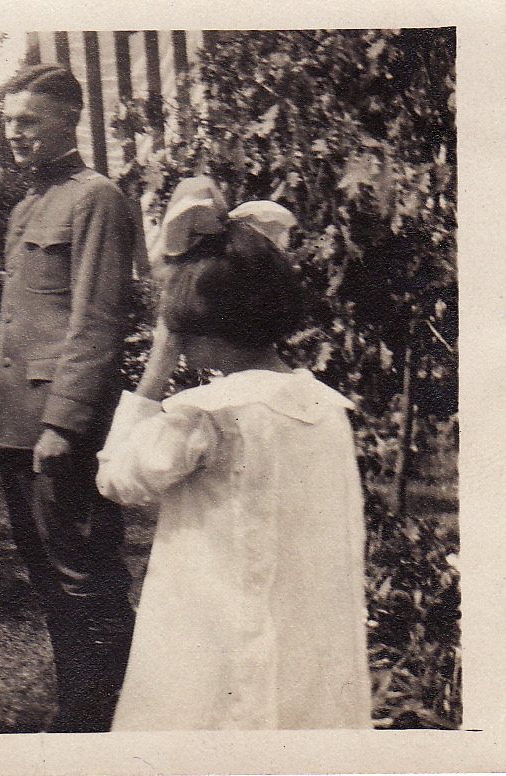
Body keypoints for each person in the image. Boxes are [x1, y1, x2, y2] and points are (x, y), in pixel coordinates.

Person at [96, 179, 371, 730]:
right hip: (304, 640)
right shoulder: (325, 408)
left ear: (206, 324)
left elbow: (117, 478)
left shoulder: (208, 416)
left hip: (213, 633)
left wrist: (155, 371)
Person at [0, 64, 145, 732]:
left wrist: (65, 424)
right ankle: (79, 706)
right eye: (8, 120)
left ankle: (116, 717)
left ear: (70, 118)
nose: (13, 132)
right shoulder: (29, 203)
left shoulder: (95, 198)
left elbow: (97, 320)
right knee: (50, 576)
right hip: (18, 422)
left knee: (85, 575)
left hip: (61, 429)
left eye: (29, 120)